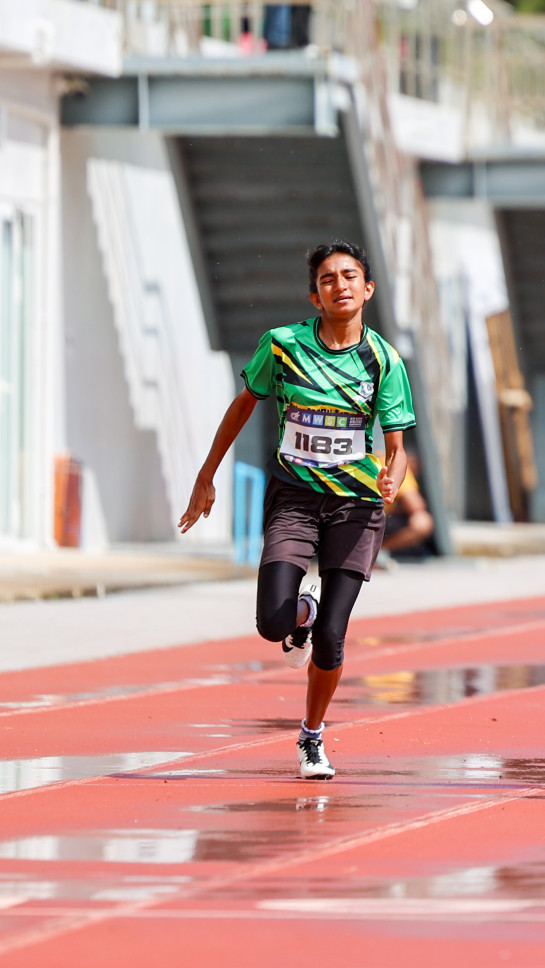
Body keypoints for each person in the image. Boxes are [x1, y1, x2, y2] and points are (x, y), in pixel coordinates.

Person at [179, 241, 415, 780]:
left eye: (350, 276)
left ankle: (312, 737)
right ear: (315, 295)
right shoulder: (282, 346)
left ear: (368, 288)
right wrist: (206, 474)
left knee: (334, 635)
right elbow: (242, 405)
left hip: (355, 505)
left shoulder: (384, 359)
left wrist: (393, 478)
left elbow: (397, 445)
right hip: (294, 496)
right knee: (272, 624)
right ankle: (299, 615)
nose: (341, 285)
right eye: (328, 279)